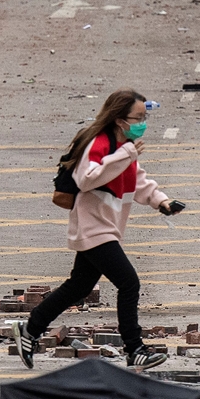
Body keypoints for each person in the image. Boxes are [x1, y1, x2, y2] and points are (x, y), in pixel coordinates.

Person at [15, 89, 182, 371]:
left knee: (79, 286)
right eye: (137, 118)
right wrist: (126, 153)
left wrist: (161, 201)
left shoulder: (124, 146)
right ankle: (135, 349)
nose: (143, 123)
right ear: (119, 119)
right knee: (129, 283)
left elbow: (138, 181)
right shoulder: (100, 143)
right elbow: (86, 178)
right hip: (94, 226)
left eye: (145, 117)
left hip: (107, 226)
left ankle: (30, 329)